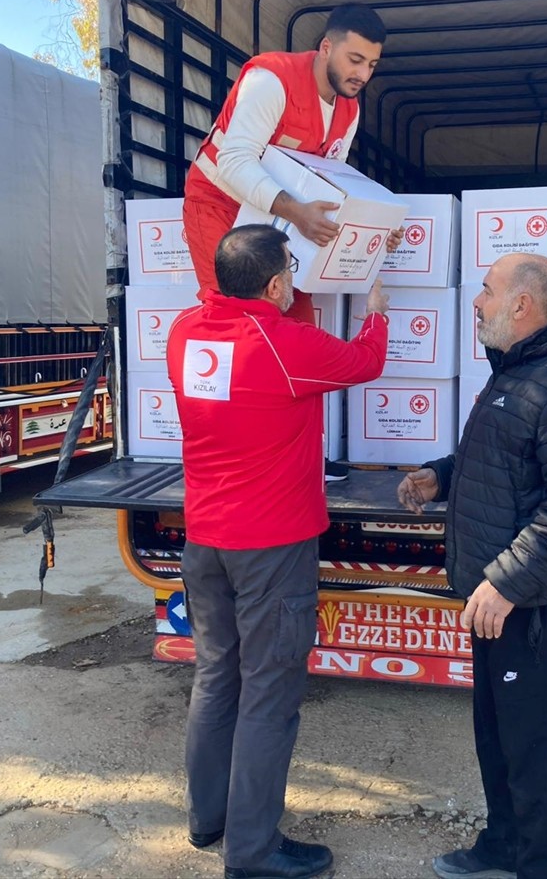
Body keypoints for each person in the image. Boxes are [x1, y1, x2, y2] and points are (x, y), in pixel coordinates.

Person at [167, 224, 390, 879]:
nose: (293, 280)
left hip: (205, 540)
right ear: (273, 285)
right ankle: (255, 851)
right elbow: (364, 363)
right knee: (269, 693)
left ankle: (210, 821)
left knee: (216, 678)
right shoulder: (285, 344)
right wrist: (375, 314)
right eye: (289, 271)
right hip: (271, 545)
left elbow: (251, 321)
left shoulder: (185, 333)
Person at [396, 254, 547, 879]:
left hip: (534, 604)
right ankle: (502, 846)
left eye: (487, 292)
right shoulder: (516, 371)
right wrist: (438, 477)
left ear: (523, 305)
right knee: (499, 737)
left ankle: (540, 867)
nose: (476, 303)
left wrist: (505, 581)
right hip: (496, 598)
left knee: (538, 750)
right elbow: (498, 460)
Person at [182, 3, 403, 324]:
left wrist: (376, 232)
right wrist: (297, 213)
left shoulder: (349, 110)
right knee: (238, 321)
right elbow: (233, 161)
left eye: (371, 64)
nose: (363, 75)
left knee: (297, 324)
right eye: (354, 61)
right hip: (221, 204)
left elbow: (334, 188)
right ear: (326, 47)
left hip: (277, 218)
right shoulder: (271, 80)